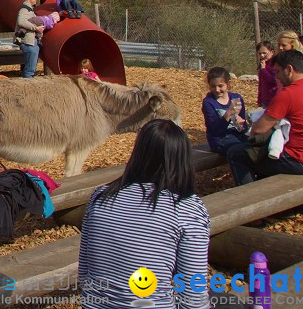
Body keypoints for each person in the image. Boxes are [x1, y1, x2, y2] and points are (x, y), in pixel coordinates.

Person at [79, 119, 210, 309]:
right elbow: (193, 297)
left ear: (138, 153)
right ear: (182, 158)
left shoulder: (100, 197)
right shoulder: (187, 208)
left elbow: (84, 274)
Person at [226, 50, 303, 186]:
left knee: (237, 154)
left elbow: (258, 129)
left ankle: (247, 196)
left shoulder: (289, 94)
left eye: (277, 72)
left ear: (289, 69)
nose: (276, 77)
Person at [201, 67, 248, 156]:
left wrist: (240, 124)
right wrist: (228, 114)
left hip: (237, 135)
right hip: (219, 139)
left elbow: (243, 126)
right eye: (213, 86)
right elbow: (216, 130)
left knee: (256, 146)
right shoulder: (208, 102)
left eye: (220, 86)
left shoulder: (236, 98)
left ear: (228, 84)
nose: (217, 90)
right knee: (240, 150)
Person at [15, 0, 44, 78]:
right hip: (28, 41)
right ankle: (28, 86)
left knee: (29, 67)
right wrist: (36, 28)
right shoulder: (25, 9)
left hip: (30, 41)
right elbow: (21, 22)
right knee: (30, 69)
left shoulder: (29, 9)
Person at [256, 40, 276, 107]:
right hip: (265, 101)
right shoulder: (263, 65)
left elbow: (273, 80)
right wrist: (259, 100)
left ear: (272, 52)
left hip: (273, 99)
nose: (262, 56)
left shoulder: (275, 65)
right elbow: (261, 84)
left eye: (264, 53)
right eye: (260, 53)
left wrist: (263, 70)